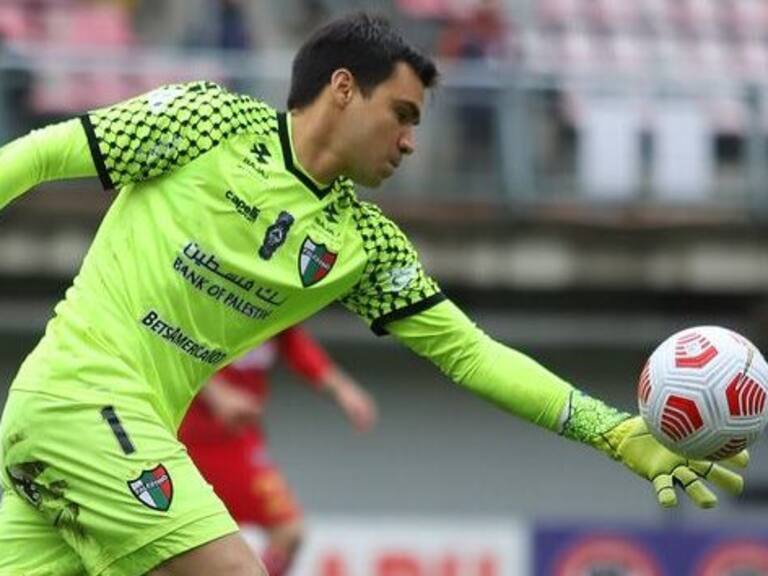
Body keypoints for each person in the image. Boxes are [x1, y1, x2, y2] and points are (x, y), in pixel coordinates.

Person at [0, 11, 750, 576]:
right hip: (80, 397)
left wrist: (615, 432)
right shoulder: (208, 121)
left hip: (89, 431)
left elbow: (472, 355)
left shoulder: (363, 244)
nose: (410, 141)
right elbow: (40, 154)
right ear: (342, 89)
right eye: (402, 114)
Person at [179, 326, 376, 576]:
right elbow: (177, 343)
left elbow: (299, 347)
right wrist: (219, 393)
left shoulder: (279, 310)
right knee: (195, 545)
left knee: (287, 532)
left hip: (240, 439)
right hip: (195, 438)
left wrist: (343, 390)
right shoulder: (216, 296)